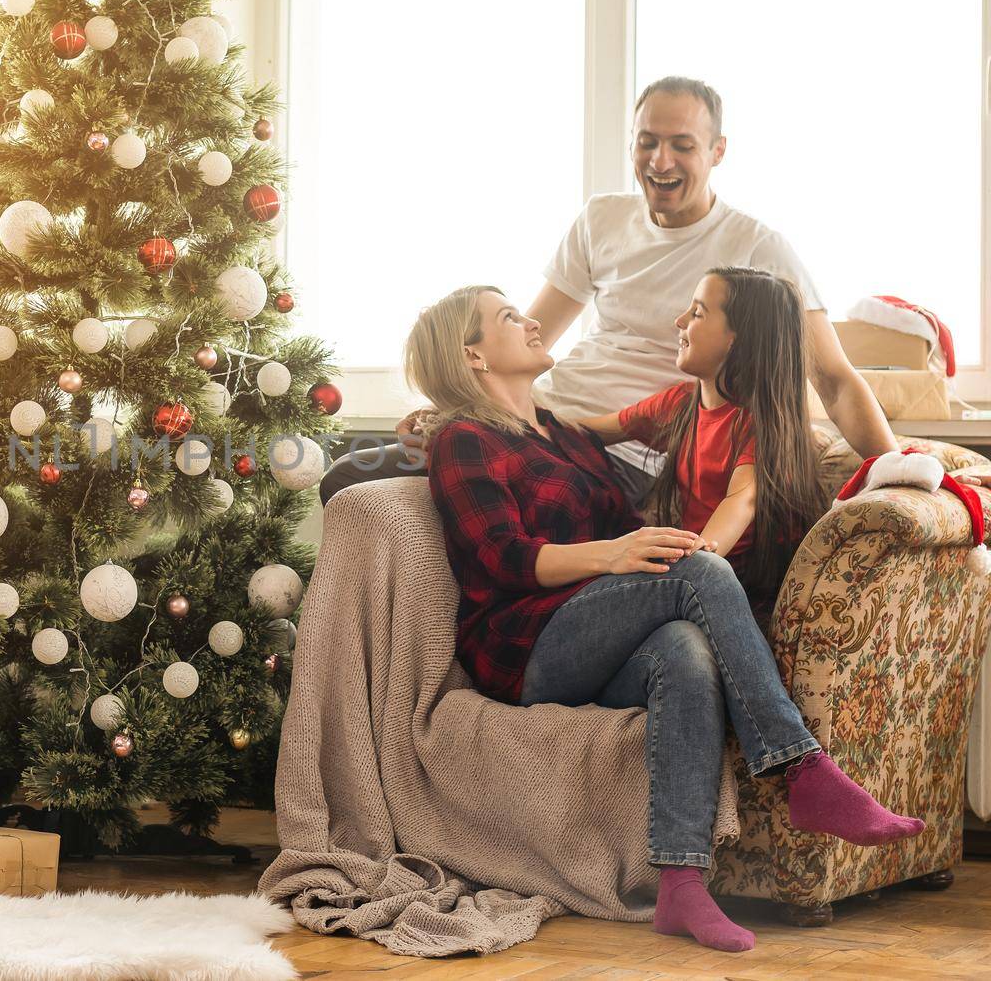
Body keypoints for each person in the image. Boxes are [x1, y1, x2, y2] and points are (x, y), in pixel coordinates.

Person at [408, 285, 923, 954]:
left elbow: (630, 525)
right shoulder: (462, 439)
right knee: (702, 569)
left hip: (599, 623)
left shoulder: (560, 431)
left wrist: (641, 546)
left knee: (684, 649)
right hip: (527, 643)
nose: (532, 319)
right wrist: (618, 553)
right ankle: (802, 769)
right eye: (510, 316)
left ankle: (681, 881)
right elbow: (499, 557)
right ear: (472, 354)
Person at [322, 76, 896, 508]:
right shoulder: (602, 219)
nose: (660, 161)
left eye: (682, 145)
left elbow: (834, 380)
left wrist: (899, 469)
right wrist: (450, 411)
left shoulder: (757, 249)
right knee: (348, 476)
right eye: (646, 142)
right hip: (537, 422)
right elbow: (525, 340)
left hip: (626, 456)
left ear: (718, 151)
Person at [575, 267, 826, 609]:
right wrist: (515, 421)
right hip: (691, 575)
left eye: (697, 313)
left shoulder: (759, 425)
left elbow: (742, 501)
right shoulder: (680, 404)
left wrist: (689, 563)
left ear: (735, 338)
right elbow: (586, 431)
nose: (680, 321)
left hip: (739, 588)